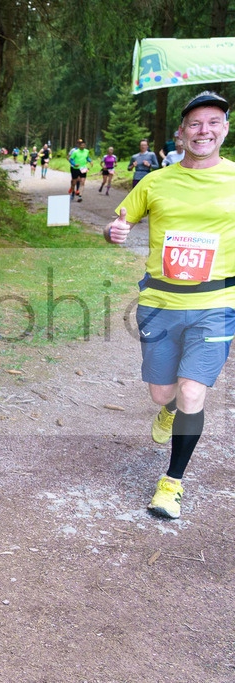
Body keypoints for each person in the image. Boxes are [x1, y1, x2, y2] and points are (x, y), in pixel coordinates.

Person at [103, 91, 235, 520]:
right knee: (165, 391)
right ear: (181, 133)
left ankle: (171, 483)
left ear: (225, 130)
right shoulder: (156, 181)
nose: (204, 131)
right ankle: (169, 407)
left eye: (213, 122)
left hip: (218, 302)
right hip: (160, 301)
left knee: (194, 389)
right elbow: (120, 221)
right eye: (195, 124)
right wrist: (114, 232)